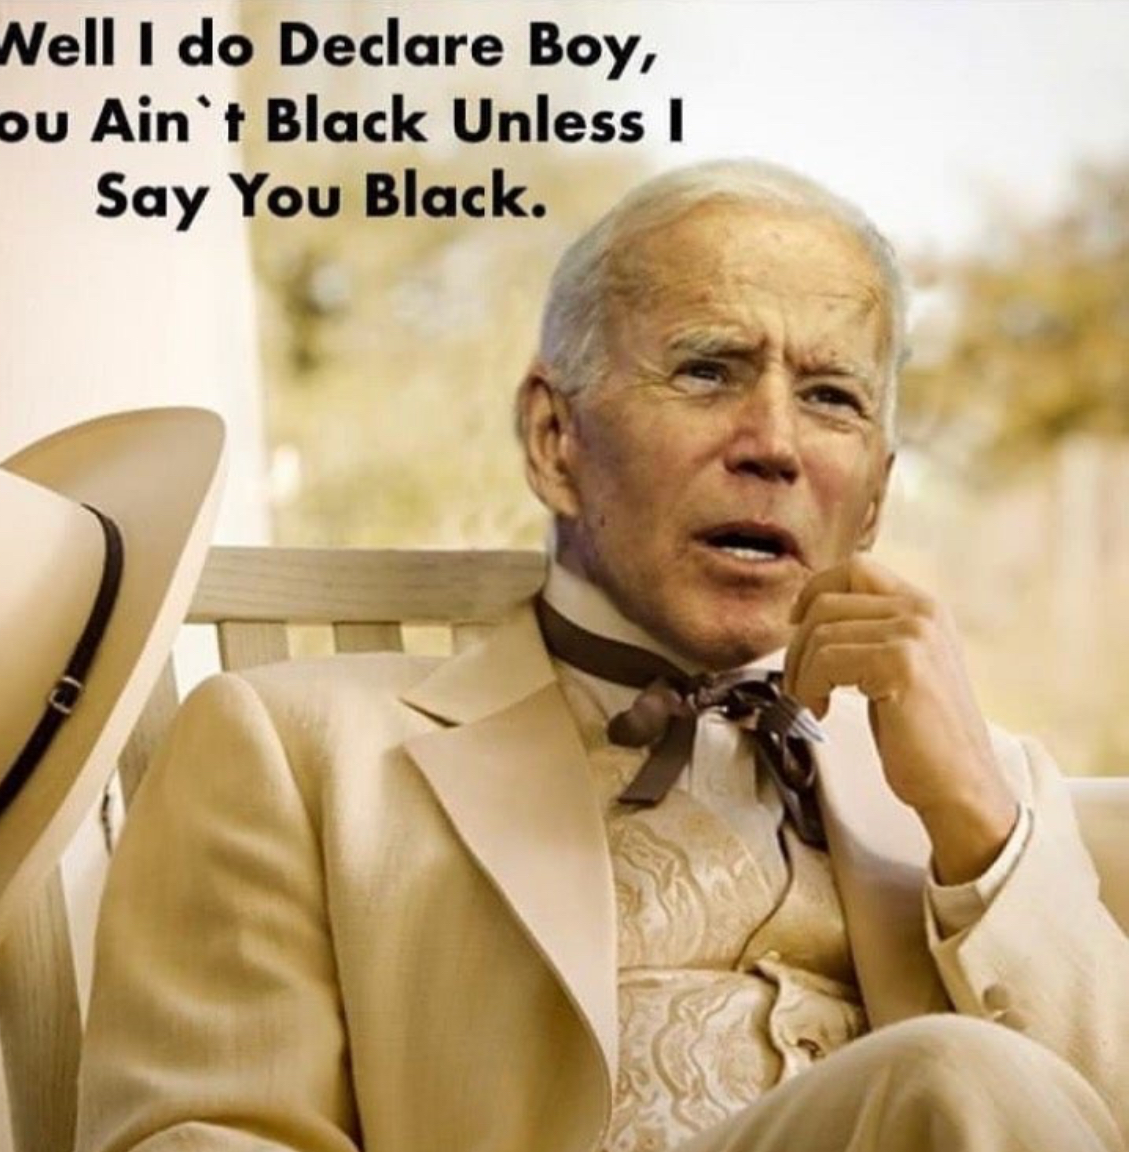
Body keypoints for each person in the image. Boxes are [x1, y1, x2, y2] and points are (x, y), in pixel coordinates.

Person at [76, 162, 1129, 1152]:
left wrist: (980, 830)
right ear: (555, 440)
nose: (774, 444)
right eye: (708, 371)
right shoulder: (291, 748)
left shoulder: (981, 790)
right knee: (946, 1073)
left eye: (830, 397)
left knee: (957, 1076)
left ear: (874, 499)